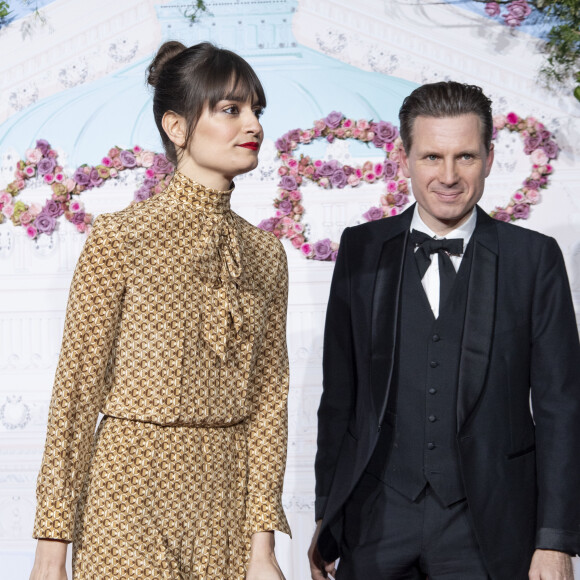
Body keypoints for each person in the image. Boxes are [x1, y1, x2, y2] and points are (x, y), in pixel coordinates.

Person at [29, 41, 290, 580]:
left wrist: (262, 548)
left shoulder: (266, 254)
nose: (253, 125)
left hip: (227, 504)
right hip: (128, 497)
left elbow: (269, 401)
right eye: (230, 109)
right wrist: (50, 554)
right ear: (176, 126)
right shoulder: (122, 238)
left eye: (256, 110)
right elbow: (77, 392)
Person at [308, 81, 580, 579]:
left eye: (466, 157)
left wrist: (555, 539)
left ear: (491, 159)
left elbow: (562, 408)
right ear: (404, 158)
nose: (449, 176)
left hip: (490, 527)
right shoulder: (361, 249)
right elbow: (340, 397)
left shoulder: (533, 259)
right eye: (432, 157)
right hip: (374, 520)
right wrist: (328, 512)